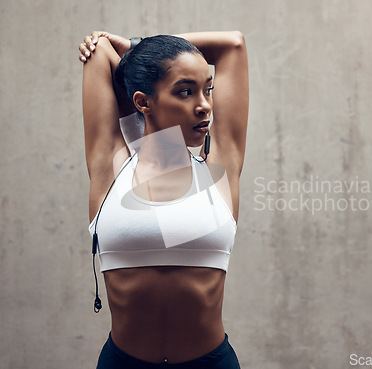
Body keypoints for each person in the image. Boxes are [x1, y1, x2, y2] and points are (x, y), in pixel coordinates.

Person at [78, 30, 248, 368]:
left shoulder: (219, 171)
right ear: (143, 102)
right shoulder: (111, 169)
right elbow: (100, 54)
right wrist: (141, 56)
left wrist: (137, 45)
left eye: (208, 90)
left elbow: (234, 44)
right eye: (185, 92)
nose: (204, 106)